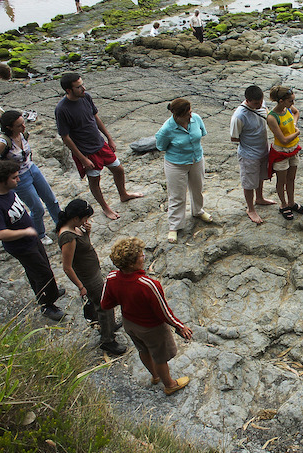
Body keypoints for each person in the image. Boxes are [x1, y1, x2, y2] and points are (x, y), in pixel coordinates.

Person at [101, 237, 193, 395]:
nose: (144, 257)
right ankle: (169, 384)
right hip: (151, 328)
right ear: (132, 263)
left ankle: (155, 376)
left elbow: (105, 303)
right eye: (141, 255)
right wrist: (179, 326)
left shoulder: (112, 278)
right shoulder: (148, 285)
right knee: (160, 357)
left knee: (143, 350)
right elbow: (163, 312)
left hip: (129, 324)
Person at [0, 160, 66, 321]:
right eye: (14, 178)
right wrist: (24, 231)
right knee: (43, 273)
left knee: (41, 268)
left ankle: (50, 290)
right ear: (2, 180)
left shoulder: (8, 190)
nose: (18, 180)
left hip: (30, 239)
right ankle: (46, 304)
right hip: (21, 246)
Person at [55, 72, 143, 221]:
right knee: (95, 180)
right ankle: (105, 208)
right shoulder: (62, 109)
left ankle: (123, 194)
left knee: (118, 169)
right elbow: (66, 138)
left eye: (82, 84)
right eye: (78, 87)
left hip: (100, 144)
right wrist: (82, 159)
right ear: (68, 90)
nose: (83, 88)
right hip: (86, 151)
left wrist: (109, 138)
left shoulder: (86, 97)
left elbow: (95, 117)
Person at [57, 199, 126, 355]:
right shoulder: (68, 237)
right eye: (84, 218)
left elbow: (84, 247)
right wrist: (81, 286)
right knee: (105, 305)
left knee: (103, 303)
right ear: (76, 218)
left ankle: (108, 324)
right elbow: (67, 267)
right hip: (88, 278)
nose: (86, 221)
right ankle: (107, 340)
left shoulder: (75, 228)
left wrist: (87, 232)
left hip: (93, 272)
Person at [0, 110, 61, 245]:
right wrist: (4, 179)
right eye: (19, 125)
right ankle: (39, 235)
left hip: (32, 169)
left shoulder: (23, 134)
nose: (23, 127)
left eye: (23, 124)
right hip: (19, 177)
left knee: (51, 199)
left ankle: (61, 225)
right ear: (9, 127)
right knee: (37, 208)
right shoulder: (3, 142)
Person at [155, 98, 212, 244]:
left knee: (197, 188)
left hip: (196, 159)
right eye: (187, 113)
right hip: (176, 164)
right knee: (177, 195)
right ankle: (174, 226)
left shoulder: (196, 118)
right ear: (178, 115)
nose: (191, 115)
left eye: (191, 111)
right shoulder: (167, 128)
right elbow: (161, 146)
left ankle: (198, 211)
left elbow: (202, 133)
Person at [230, 85, 276, 224]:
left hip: (263, 150)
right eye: (256, 103)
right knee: (249, 182)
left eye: (261, 102)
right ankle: (250, 208)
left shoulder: (261, 105)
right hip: (249, 154)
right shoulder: (239, 116)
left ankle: (260, 198)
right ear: (247, 100)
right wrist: (250, 142)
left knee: (261, 176)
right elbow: (234, 138)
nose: (260, 105)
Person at [267, 85, 303, 220]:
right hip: (281, 151)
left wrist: (293, 124)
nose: (292, 104)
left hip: (293, 149)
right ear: (281, 101)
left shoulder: (287, 108)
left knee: (291, 178)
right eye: (290, 101)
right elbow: (283, 139)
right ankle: (283, 204)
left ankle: (291, 202)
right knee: (281, 180)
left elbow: (296, 112)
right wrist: (297, 133)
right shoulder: (272, 117)